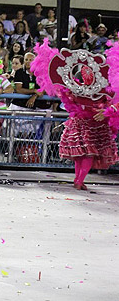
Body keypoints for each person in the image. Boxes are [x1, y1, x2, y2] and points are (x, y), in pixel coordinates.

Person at [32, 42, 119, 190]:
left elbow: (112, 102)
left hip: (88, 122)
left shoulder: (93, 88)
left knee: (83, 153)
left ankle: (78, 180)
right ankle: (79, 180)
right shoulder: (90, 89)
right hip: (88, 123)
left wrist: (107, 111)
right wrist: (106, 110)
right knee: (87, 153)